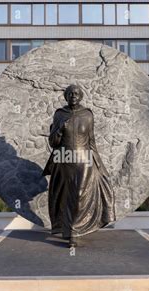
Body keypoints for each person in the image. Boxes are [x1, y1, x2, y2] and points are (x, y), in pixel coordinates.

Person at [42, 85, 115, 247]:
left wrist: (100, 165)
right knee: (66, 196)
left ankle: (75, 230)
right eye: (70, 93)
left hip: (84, 158)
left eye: (76, 93)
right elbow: (53, 142)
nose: (73, 96)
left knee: (80, 193)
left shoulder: (87, 114)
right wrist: (60, 128)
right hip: (63, 159)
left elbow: (91, 141)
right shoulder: (59, 114)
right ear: (66, 96)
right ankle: (68, 231)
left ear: (81, 96)